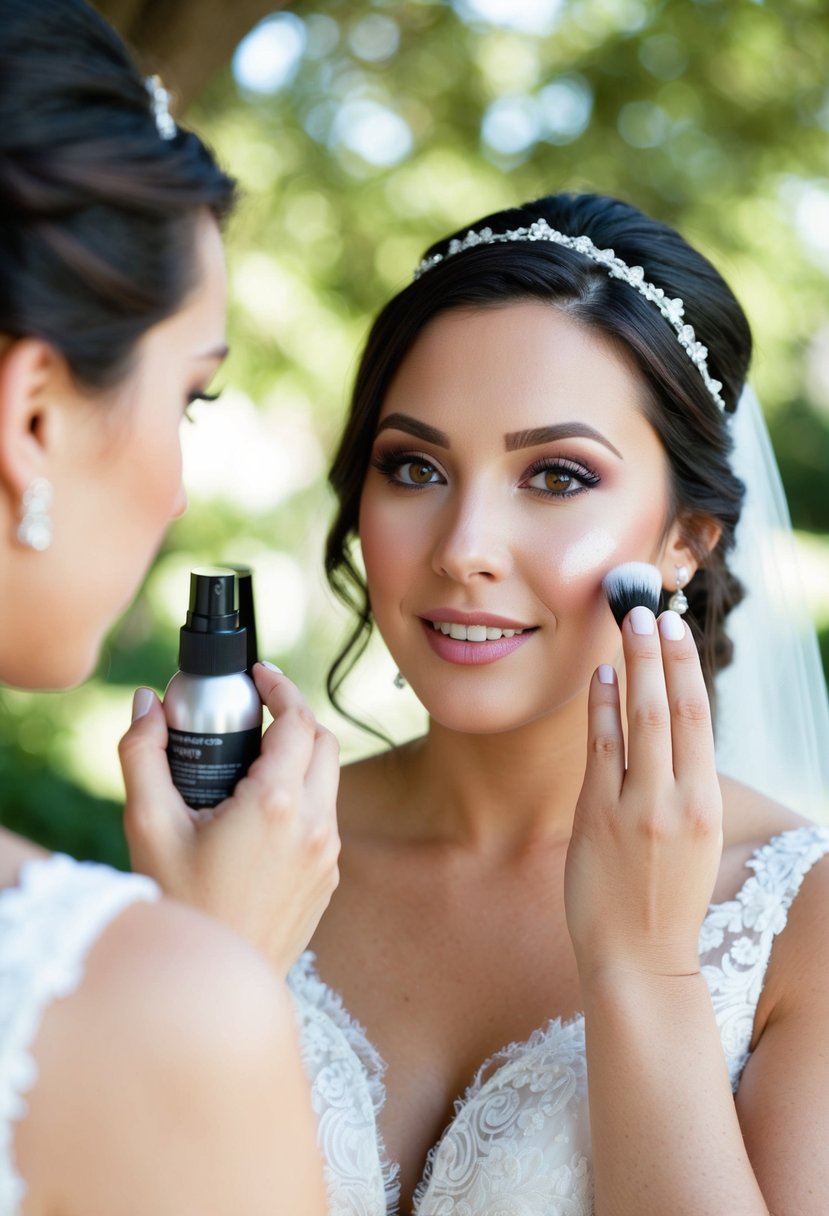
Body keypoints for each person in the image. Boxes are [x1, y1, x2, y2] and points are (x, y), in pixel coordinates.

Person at [298, 192, 829, 1214]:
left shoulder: (799, 925)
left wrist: (645, 972)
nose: (461, 548)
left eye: (554, 475)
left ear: (686, 538)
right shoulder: (251, 839)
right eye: (413, 466)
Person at [0, 1, 338, 1213]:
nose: (181, 484)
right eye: (189, 398)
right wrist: (217, 985)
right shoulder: (117, 1000)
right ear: (35, 415)